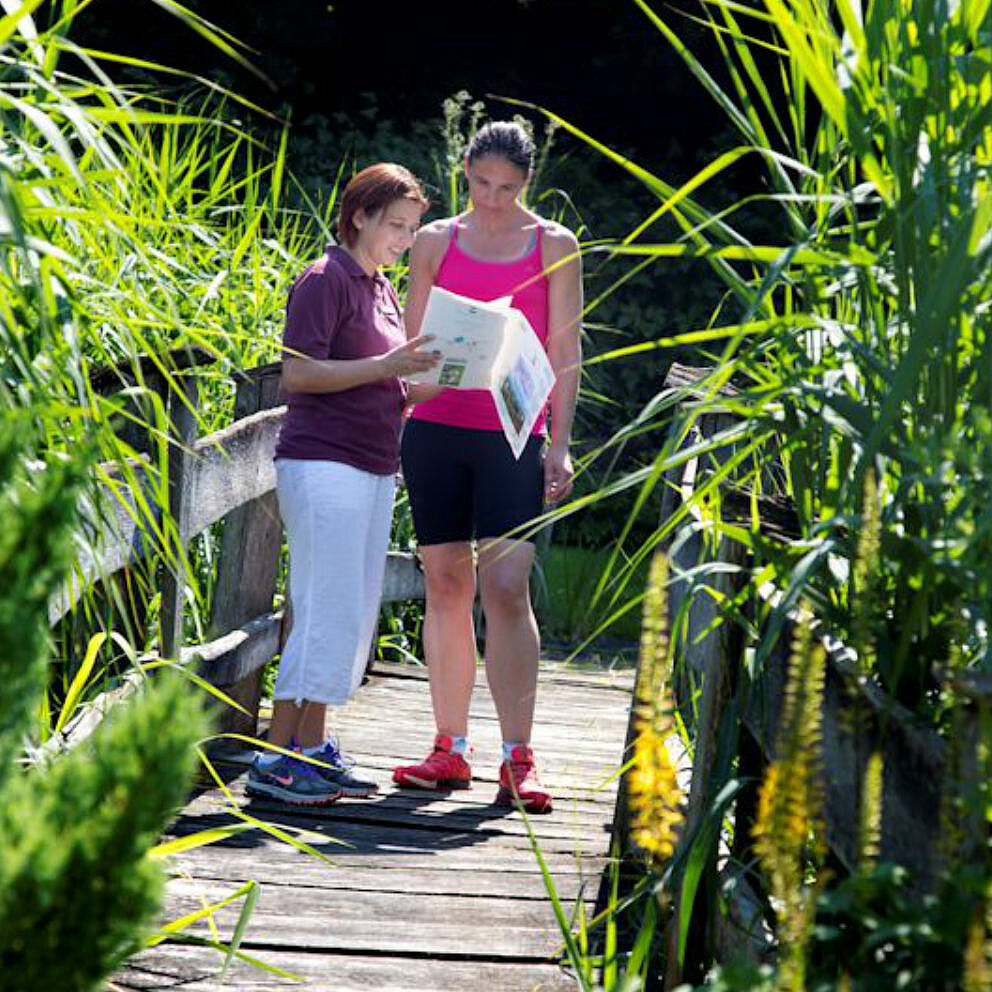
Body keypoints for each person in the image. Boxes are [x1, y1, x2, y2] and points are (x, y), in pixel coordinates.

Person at [392, 122, 583, 813]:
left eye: (508, 189)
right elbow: (412, 349)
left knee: (505, 585)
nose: (494, 200)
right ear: (463, 169)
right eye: (482, 185)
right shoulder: (435, 241)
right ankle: (450, 749)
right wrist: (424, 378)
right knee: (444, 582)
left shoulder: (555, 245)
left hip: (513, 435)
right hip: (437, 428)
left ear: (527, 183)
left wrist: (558, 445)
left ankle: (517, 757)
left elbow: (565, 354)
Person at [247, 163, 440, 806]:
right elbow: (299, 377)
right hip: (324, 463)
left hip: (373, 465)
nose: (405, 239)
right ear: (358, 216)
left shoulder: (380, 287)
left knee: (350, 613)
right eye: (396, 225)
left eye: (412, 229)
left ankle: (313, 750)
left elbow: (380, 379)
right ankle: (277, 762)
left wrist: (425, 382)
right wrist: (390, 365)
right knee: (321, 607)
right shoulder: (324, 279)